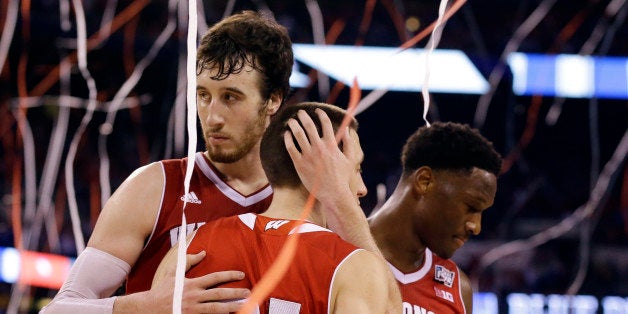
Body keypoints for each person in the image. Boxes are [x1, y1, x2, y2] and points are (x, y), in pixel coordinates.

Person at [42, 10, 293, 313]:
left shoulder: (307, 202)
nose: (212, 117)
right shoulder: (154, 187)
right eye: (203, 95)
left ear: (273, 100)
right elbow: (58, 310)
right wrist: (147, 306)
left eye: (231, 97)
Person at [154, 102, 402, 313]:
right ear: (328, 170)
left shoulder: (189, 245)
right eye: (356, 169)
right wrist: (342, 202)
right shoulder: (354, 266)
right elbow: (392, 309)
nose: (362, 188)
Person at [368, 121, 503, 314]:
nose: (476, 226)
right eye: (471, 206)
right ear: (424, 181)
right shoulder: (335, 251)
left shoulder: (459, 288)